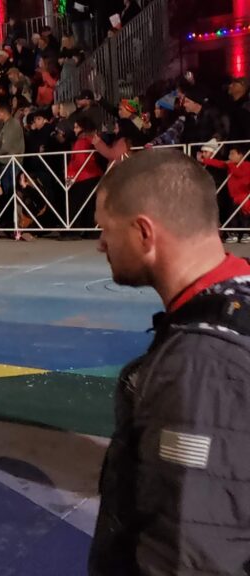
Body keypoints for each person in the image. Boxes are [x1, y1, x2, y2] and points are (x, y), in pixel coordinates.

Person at [90, 149, 250, 575]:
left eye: (106, 229)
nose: (101, 244)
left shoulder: (198, 367)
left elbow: (188, 548)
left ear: (145, 233)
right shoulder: (238, 298)